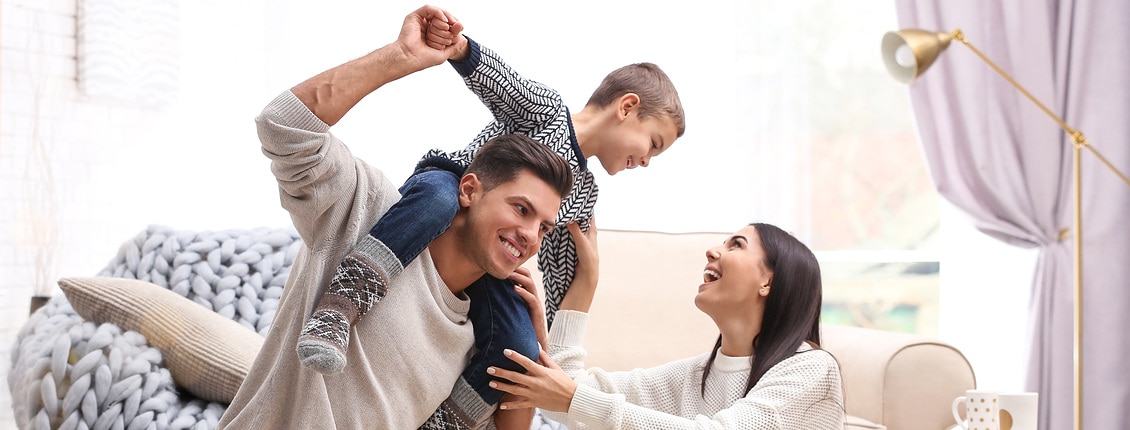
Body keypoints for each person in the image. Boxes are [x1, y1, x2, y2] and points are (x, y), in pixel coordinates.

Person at [292, 6, 687, 429]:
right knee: (438, 203)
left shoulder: (583, 196)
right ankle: (338, 308)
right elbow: (505, 85)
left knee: (517, 345)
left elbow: (558, 274)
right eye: (654, 143)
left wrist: (551, 324)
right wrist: (460, 48)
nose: (646, 161)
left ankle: (446, 423)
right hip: (454, 187)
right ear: (627, 107)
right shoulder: (548, 112)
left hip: (491, 257)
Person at [214, 6, 577, 429]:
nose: (532, 236)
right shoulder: (365, 210)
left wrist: (535, 347)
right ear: (470, 189)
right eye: (521, 209)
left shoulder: (486, 333)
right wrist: (400, 56)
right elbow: (283, 126)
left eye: (544, 227)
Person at [488, 222, 848, 429]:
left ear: (768, 282)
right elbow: (562, 402)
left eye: (736, 245)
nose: (713, 251)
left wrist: (576, 399)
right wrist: (586, 282)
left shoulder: (811, 369)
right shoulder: (696, 376)